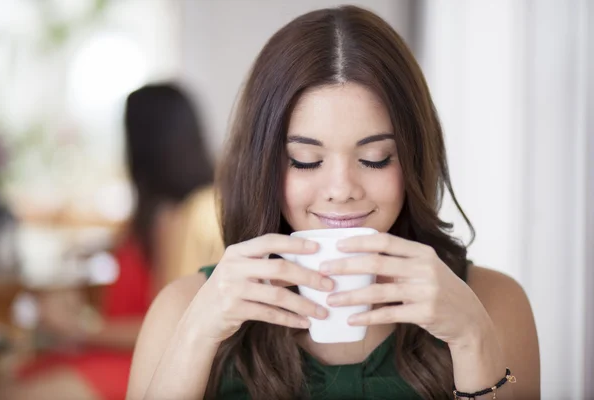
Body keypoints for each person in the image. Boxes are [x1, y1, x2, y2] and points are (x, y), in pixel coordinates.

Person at [127, 6, 540, 400]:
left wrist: (472, 340)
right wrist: (196, 335)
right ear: (264, 163)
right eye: (305, 160)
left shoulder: (494, 303)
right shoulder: (182, 311)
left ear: (414, 156)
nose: (341, 189)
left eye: (374, 158)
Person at [0, 83, 219, 400]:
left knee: (17, 387)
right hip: (115, 353)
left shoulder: (181, 218)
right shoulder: (156, 213)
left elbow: (167, 324)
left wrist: (80, 329)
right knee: (13, 377)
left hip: (141, 362)